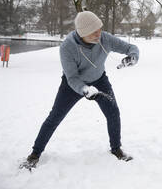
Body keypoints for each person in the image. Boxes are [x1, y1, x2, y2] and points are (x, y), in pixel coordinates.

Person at [20, 11, 139, 170]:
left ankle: (116, 149)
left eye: (99, 29)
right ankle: (34, 154)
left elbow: (131, 47)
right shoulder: (68, 47)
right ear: (82, 33)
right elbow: (72, 78)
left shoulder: (105, 38)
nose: (99, 34)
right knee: (54, 117)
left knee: (113, 112)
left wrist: (132, 57)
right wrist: (84, 89)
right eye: (93, 32)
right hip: (73, 84)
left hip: (99, 79)